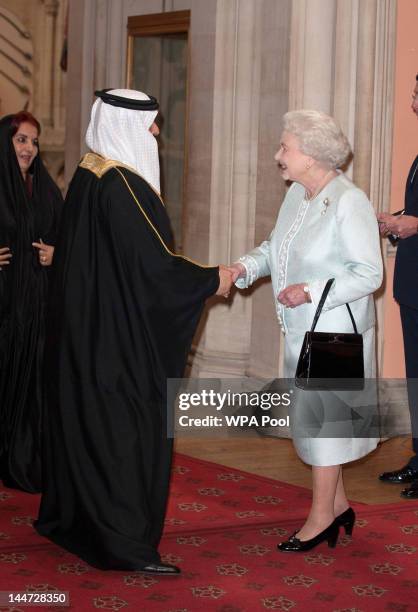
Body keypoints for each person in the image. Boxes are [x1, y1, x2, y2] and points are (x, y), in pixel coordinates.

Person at [34, 89, 232, 575]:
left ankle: (72, 523)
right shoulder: (122, 185)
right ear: (126, 126)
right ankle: (122, 544)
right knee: (121, 435)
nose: (157, 134)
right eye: (151, 125)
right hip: (114, 343)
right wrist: (213, 278)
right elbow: (155, 269)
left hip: (83, 335)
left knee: (85, 428)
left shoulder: (88, 172)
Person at [228, 110, 383, 552]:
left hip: (336, 332)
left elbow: (369, 274)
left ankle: (320, 518)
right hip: (302, 330)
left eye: (285, 147)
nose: (279, 155)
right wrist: (243, 267)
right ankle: (338, 506)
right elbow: (275, 247)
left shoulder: (349, 201)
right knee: (314, 422)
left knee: (325, 427)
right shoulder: (298, 193)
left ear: (311, 156)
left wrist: (310, 291)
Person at [0, 111, 63, 493]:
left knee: (33, 383)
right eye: (21, 139)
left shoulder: (43, 188)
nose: (29, 148)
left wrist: (56, 252)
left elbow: (66, 232)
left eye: (34, 141)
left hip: (36, 307)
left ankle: (22, 459)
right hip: (3, 306)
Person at [377, 74, 418, 499]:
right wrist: (396, 221)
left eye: (416, 93)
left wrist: (416, 223)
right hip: (412, 285)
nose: (412, 102)